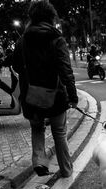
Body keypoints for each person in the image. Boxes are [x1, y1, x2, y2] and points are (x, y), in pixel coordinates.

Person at [13, 0, 78, 178]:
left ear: (32, 18)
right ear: (51, 18)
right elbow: (66, 71)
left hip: (31, 97)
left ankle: (40, 161)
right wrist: (73, 96)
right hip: (55, 95)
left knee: (37, 129)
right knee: (59, 133)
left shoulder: (22, 41)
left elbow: (16, 66)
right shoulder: (56, 39)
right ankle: (66, 170)